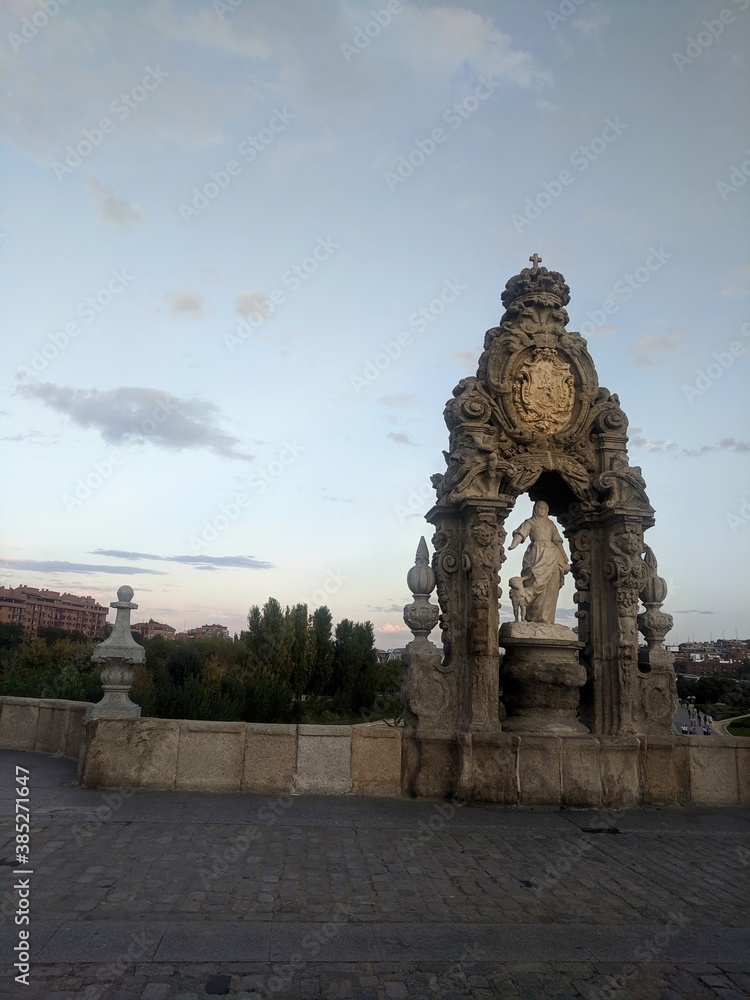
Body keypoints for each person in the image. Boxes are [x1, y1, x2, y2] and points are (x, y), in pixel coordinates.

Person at [508, 500, 570, 623]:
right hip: (535, 555)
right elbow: (520, 534)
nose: (541, 510)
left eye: (544, 508)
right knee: (532, 580)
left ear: (547, 510)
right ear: (535, 509)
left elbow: (557, 541)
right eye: (539, 508)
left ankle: (546, 618)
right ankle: (530, 618)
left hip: (552, 556)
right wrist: (513, 545)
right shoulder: (530, 522)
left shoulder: (551, 525)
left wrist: (563, 555)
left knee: (550, 587)